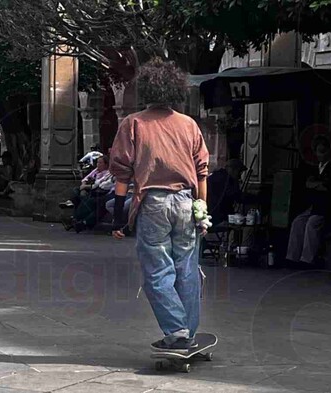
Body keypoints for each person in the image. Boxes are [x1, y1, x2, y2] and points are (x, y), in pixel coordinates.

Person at [110, 59, 210, 353]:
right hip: (186, 202)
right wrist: (202, 213)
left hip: (152, 203)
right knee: (188, 269)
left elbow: (121, 176)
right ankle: (187, 332)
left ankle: (177, 330)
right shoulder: (188, 124)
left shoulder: (134, 124)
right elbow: (202, 172)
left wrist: (119, 219)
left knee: (157, 271)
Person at [286, 135, 331, 267]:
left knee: (312, 224)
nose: (320, 155)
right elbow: (307, 184)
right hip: (313, 206)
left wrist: (316, 185)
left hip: (326, 208)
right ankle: (292, 257)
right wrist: (317, 185)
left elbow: (329, 188)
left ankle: (307, 259)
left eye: (323, 152)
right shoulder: (313, 168)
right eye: (318, 152)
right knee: (297, 222)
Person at [207, 159, 247, 226]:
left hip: (210, 214)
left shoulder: (216, 176)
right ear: (232, 170)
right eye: (239, 172)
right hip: (219, 216)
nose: (239, 176)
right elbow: (237, 197)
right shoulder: (227, 180)